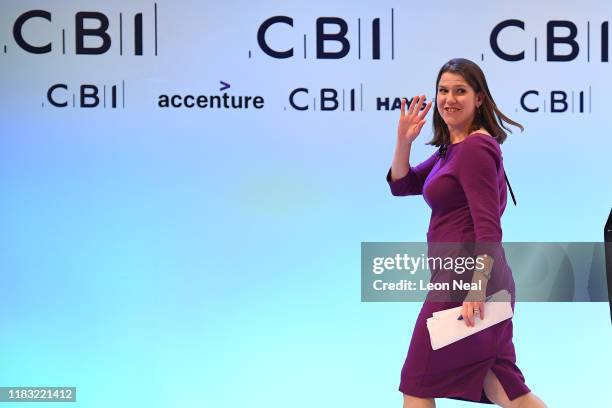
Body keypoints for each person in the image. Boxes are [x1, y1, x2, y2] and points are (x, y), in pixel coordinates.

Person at [386, 58, 547, 408]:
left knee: (417, 381)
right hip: (467, 280)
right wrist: (403, 141)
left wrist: (475, 286)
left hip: (468, 283)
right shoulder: (452, 149)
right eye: (443, 91)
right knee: (504, 387)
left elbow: (488, 225)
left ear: (479, 99)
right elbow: (403, 184)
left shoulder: (474, 148)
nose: (449, 99)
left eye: (460, 91)